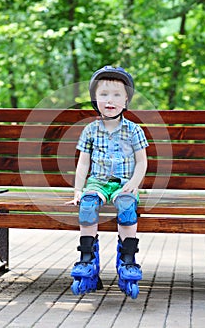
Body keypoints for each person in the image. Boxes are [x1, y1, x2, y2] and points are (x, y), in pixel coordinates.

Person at [66, 66, 148, 299]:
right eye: (103, 95)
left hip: (124, 183)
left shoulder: (134, 130)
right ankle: (87, 257)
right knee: (88, 205)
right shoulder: (90, 130)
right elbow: (83, 164)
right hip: (98, 182)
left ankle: (129, 259)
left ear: (126, 100)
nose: (109, 100)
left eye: (116, 95)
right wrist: (78, 190)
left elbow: (142, 162)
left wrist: (134, 182)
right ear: (95, 99)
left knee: (126, 206)